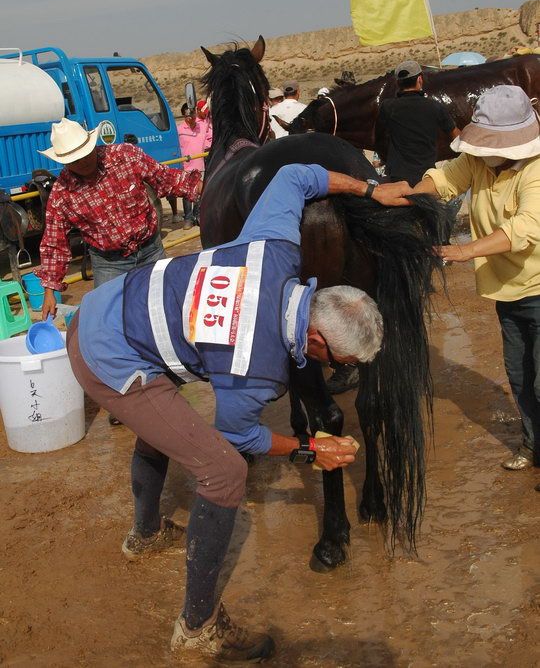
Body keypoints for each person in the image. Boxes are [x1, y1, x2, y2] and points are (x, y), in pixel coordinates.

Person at [66, 163, 412, 662]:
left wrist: (372, 188)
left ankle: (145, 534)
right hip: (105, 358)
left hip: (101, 309)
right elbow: (236, 437)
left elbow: (294, 175)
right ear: (317, 339)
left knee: (168, 428)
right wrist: (309, 449)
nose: (340, 372)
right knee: (222, 472)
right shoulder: (259, 370)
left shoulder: (274, 249)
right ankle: (198, 626)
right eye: (342, 363)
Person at [413, 85, 540, 482]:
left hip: (538, 287)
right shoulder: (479, 162)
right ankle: (533, 444)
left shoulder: (535, 169)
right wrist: (410, 197)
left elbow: (526, 227)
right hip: (508, 291)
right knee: (519, 375)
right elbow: (446, 178)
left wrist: (466, 251)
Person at [37, 117, 201, 319]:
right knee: (111, 318)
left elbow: (164, 177)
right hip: (109, 264)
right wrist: (49, 291)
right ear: (65, 162)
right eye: (75, 160)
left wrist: (201, 186)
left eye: (85, 154)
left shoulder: (125, 156)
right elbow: (55, 243)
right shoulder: (61, 194)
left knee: (165, 308)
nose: (83, 162)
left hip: (150, 251)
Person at [375, 59, 460, 186]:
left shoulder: (387, 107)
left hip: (396, 178)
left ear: (398, 83)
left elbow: (379, 140)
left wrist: (384, 160)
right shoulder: (435, 106)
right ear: (420, 79)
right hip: (426, 177)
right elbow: (456, 137)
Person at [174, 103, 212, 229]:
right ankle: (188, 218)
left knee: (200, 192)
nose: (191, 117)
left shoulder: (202, 126)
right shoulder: (179, 130)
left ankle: (198, 215)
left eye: (193, 114)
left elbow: (209, 137)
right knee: (187, 194)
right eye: (188, 115)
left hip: (200, 165)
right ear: (184, 116)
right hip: (186, 167)